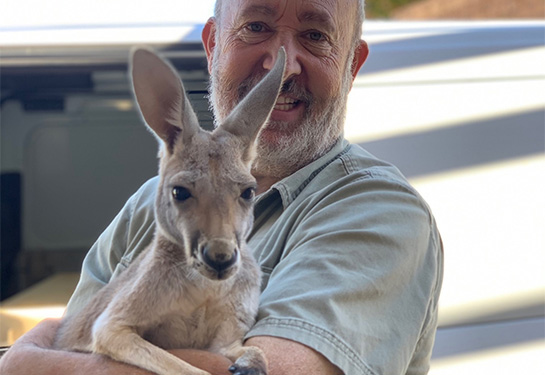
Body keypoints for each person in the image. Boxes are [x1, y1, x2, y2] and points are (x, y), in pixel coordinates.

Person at [0, 0, 444, 374]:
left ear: (352, 66)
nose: (280, 66)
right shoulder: (146, 206)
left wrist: (27, 362)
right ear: (213, 47)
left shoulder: (375, 210)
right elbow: (74, 335)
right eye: (256, 27)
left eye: (315, 35)